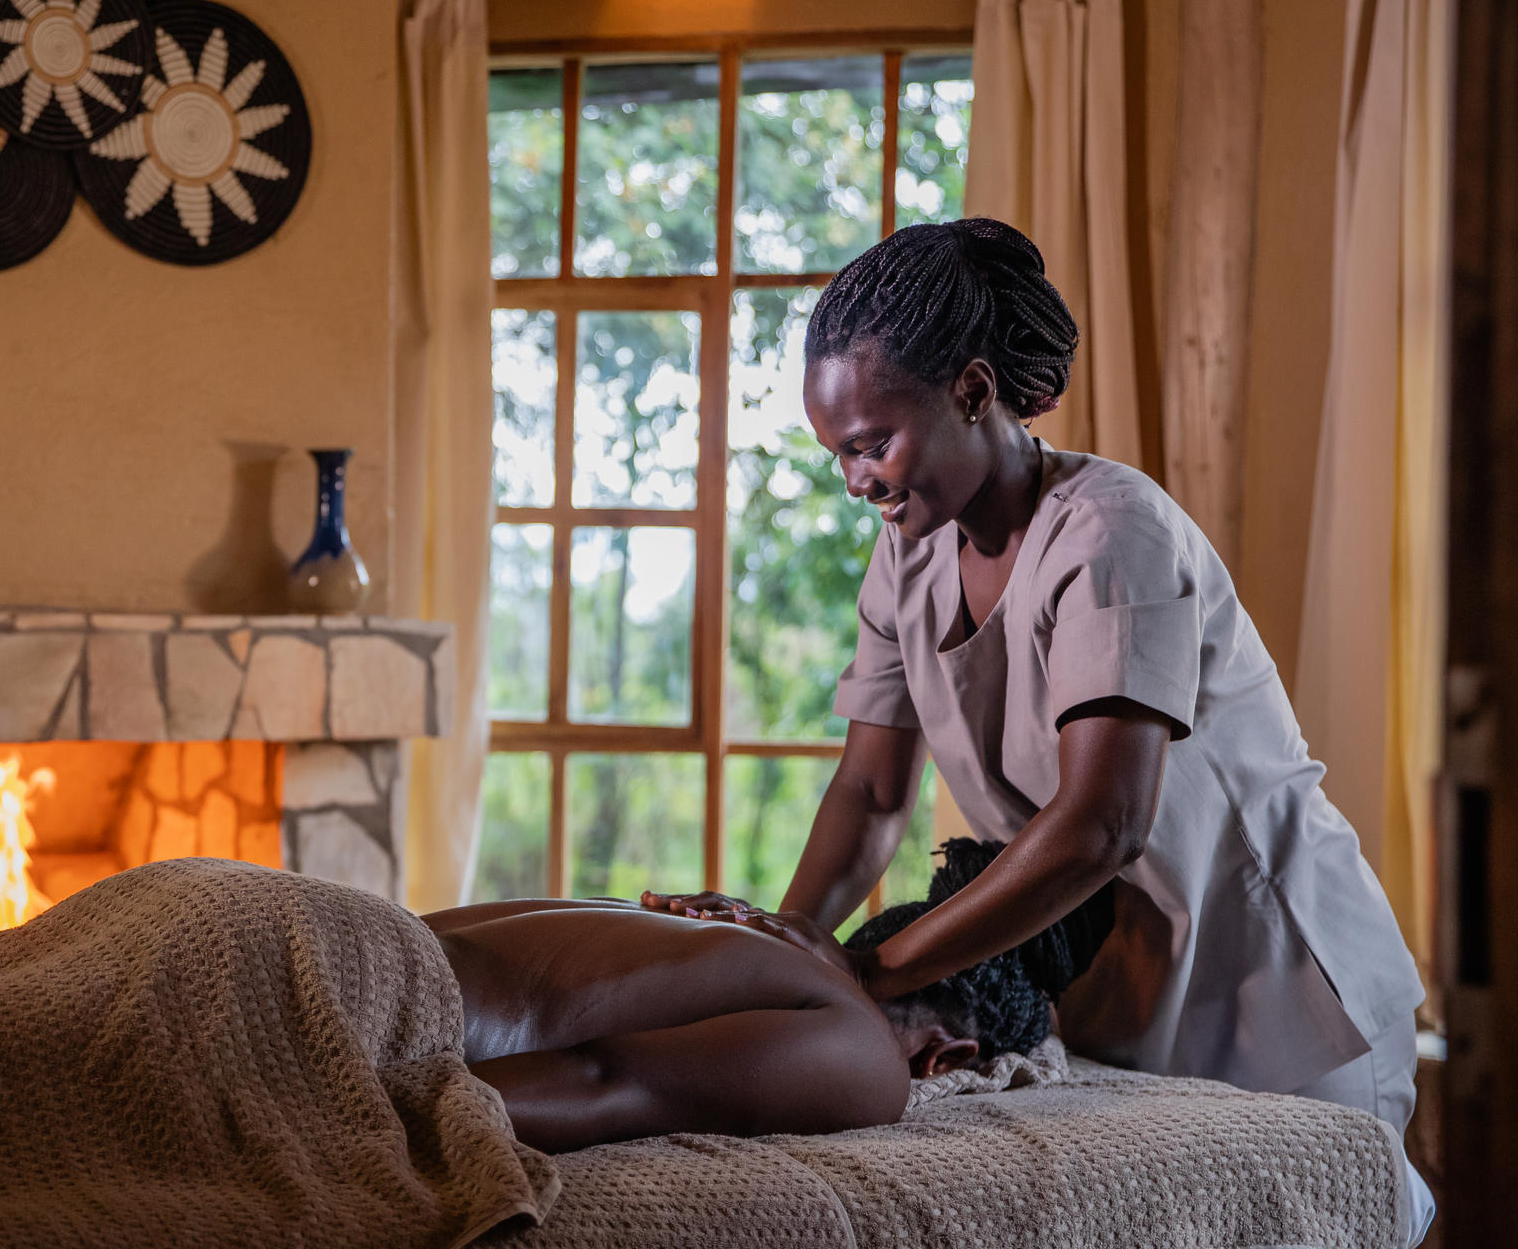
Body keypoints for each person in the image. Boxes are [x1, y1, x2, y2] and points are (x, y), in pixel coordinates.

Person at [650, 219, 1423, 1142]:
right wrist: (786, 957)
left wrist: (871, 969)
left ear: (973, 390)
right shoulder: (906, 561)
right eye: (837, 454)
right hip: (1136, 990)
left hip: (1291, 996)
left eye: (872, 443)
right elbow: (867, 791)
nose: (855, 480)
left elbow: (1103, 825)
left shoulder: (1112, 534)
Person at [429, 837, 1110, 1153]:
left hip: (351, 930)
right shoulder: (865, 1055)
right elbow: (599, 1080)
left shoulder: (724, 917)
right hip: (370, 1017)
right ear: (948, 1057)